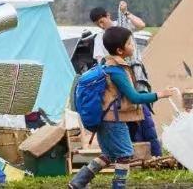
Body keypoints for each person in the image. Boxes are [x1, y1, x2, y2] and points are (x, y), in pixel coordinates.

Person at [69, 27, 175, 189]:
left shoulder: (106, 65)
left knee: (109, 155)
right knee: (125, 155)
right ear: (120, 50)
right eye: (130, 43)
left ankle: (78, 181)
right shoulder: (117, 71)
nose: (133, 46)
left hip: (104, 119)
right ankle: (118, 186)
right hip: (113, 121)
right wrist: (161, 94)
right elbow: (135, 97)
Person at [89, 3, 159, 155]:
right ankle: (144, 154)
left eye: (102, 21)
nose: (101, 26)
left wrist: (125, 13)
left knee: (142, 120)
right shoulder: (102, 41)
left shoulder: (122, 28)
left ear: (108, 15)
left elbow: (141, 25)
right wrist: (161, 94)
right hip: (120, 90)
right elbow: (101, 62)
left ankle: (150, 153)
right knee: (137, 121)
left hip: (135, 79)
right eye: (98, 24)